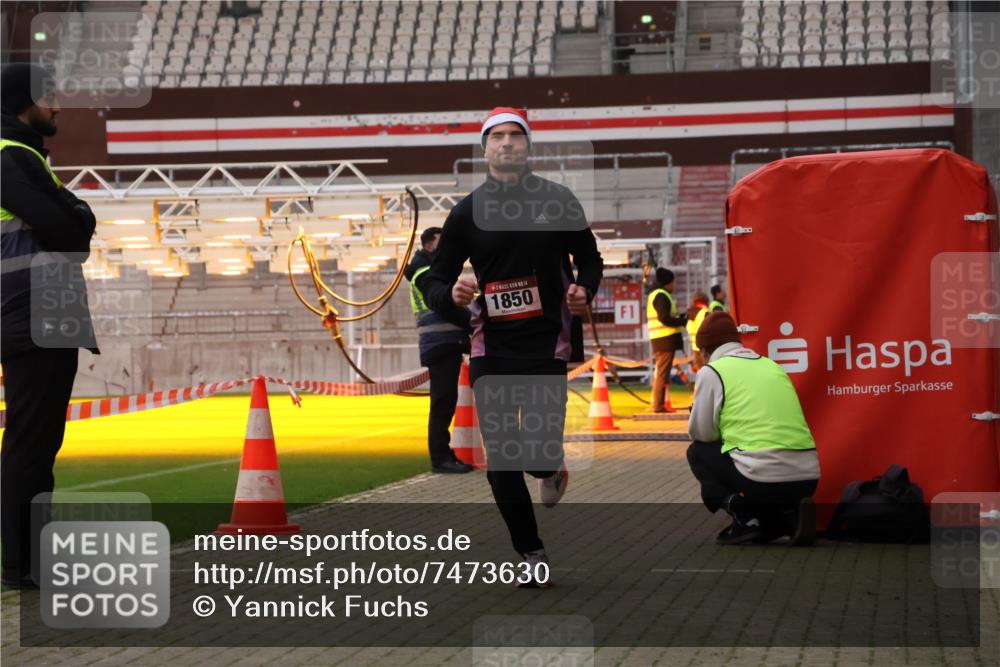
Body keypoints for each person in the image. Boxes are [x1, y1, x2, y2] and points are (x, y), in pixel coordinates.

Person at [421, 107, 603, 587]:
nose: (506, 143)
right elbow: (434, 280)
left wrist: (585, 286)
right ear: (484, 149)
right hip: (490, 346)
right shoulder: (466, 213)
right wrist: (452, 294)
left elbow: (589, 255)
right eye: (496, 137)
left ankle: (550, 467)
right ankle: (530, 552)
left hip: (547, 342)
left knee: (538, 453)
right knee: (501, 457)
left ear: (527, 146)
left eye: (514, 136)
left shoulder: (557, 200)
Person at [1, 64, 98, 588]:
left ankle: (32, 560)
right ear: (24, 100)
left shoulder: (27, 157)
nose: (58, 105)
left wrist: (76, 217)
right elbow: (72, 226)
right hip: (33, 312)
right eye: (50, 95)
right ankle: (24, 566)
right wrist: (78, 214)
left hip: (40, 312)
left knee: (37, 443)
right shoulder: (12, 157)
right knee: (31, 444)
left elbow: (73, 228)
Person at [685, 312, 820, 546]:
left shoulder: (712, 371)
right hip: (808, 476)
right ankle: (787, 517)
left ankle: (746, 516)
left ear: (705, 350)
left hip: (762, 478)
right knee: (765, 475)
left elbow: (702, 434)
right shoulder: (772, 365)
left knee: (698, 452)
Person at [404, 226, 474, 474]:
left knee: (445, 401)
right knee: (443, 402)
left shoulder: (429, 270)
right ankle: (441, 458)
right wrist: (476, 321)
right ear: (429, 245)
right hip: (440, 342)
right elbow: (445, 306)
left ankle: (444, 456)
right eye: (442, 242)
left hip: (444, 341)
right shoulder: (425, 273)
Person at [646, 268, 688, 413]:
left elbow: (667, 315)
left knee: (662, 372)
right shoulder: (661, 295)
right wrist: (682, 321)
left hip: (660, 339)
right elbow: (664, 318)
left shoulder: (656, 294)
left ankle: (658, 404)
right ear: (667, 282)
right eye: (672, 282)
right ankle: (658, 405)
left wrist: (680, 317)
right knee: (663, 373)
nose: (674, 286)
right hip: (665, 339)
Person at [685, 291, 710, 372]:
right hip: (707, 348)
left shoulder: (689, 314)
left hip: (695, 348)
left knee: (700, 373)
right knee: (709, 373)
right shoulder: (706, 312)